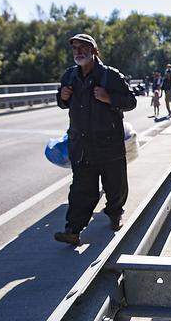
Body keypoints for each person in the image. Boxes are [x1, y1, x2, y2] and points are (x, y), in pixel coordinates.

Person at [54, 33, 137, 246]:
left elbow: (130, 102)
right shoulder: (69, 76)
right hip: (81, 145)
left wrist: (109, 98)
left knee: (115, 186)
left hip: (109, 144)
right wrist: (61, 98)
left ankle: (114, 213)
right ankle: (73, 230)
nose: (78, 52)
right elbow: (63, 103)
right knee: (81, 190)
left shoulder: (111, 76)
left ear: (94, 51)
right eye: (75, 48)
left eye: (83, 47)